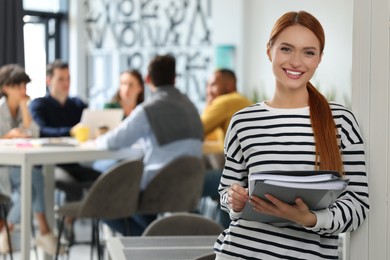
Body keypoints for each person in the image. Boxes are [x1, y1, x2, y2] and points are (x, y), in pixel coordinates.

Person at [214, 11, 369, 259]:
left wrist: (309, 218)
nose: (296, 62)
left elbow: (358, 205)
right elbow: (226, 193)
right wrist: (234, 199)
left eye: (308, 52)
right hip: (240, 251)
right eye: (286, 49)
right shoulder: (243, 121)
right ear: (269, 51)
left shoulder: (341, 120)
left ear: (319, 59)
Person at [95, 54, 204, 235]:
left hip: (158, 190)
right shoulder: (191, 106)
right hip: (189, 188)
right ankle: (158, 240)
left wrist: (97, 139)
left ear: (147, 79)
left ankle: (152, 241)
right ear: (174, 79)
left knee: (103, 205)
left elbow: (113, 141)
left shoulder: (148, 109)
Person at [29, 60, 101, 243]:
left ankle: (69, 221)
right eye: (61, 79)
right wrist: (70, 132)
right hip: (49, 164)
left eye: (68, 78)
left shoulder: (78, 105)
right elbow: (41, 131)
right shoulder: (39, 105)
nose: (66, 83)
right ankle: (65, 224)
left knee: (102, 180)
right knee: (72, 186)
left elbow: (89, 127)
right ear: (49, 81)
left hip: (73, 162)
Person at [0, 64, 63, 255]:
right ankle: (43, 231)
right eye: (17, 86)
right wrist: (7, 137)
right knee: (35, 180)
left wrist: (24, 108)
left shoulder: (24, 109)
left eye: (24, 86)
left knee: (33, 181)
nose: (22, 90)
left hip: (20, 168)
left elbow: (34, 134)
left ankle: (7, 231)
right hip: (4, 170)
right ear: (5, 88)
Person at [200, 69, 252, 227]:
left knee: (187, 183)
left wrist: (209, 105)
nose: (209, 90)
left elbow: (195, 130)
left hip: (241, 179)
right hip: (248, 177)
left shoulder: (226, 101)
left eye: (213, 85)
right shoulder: (241, 101)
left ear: (229, 85)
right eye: (207, 86)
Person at [92, 69, 145, 173]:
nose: (126, 88)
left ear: (140, 88)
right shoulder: (110, 108)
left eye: (131, 85)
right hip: (111, 157)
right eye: (123, 84)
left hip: (135, 156)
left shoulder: (143, 111)